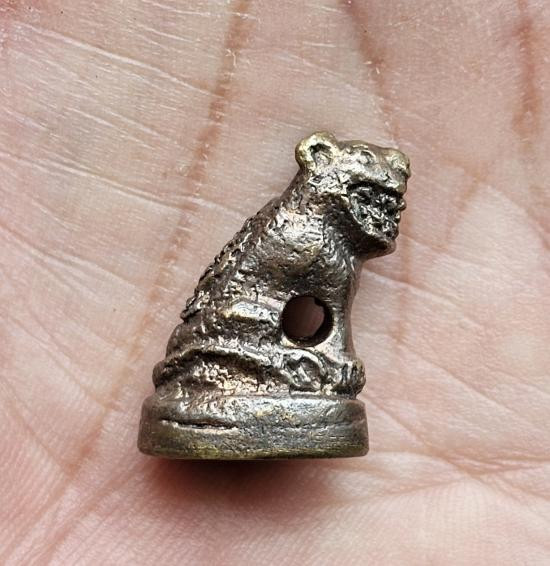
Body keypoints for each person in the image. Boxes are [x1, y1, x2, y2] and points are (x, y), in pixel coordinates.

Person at [1, 1, 548, 564]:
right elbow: (324, 314)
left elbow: (327, 315)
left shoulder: (329, 242)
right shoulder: (300, 235)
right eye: (363, 169)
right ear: (319, 162)